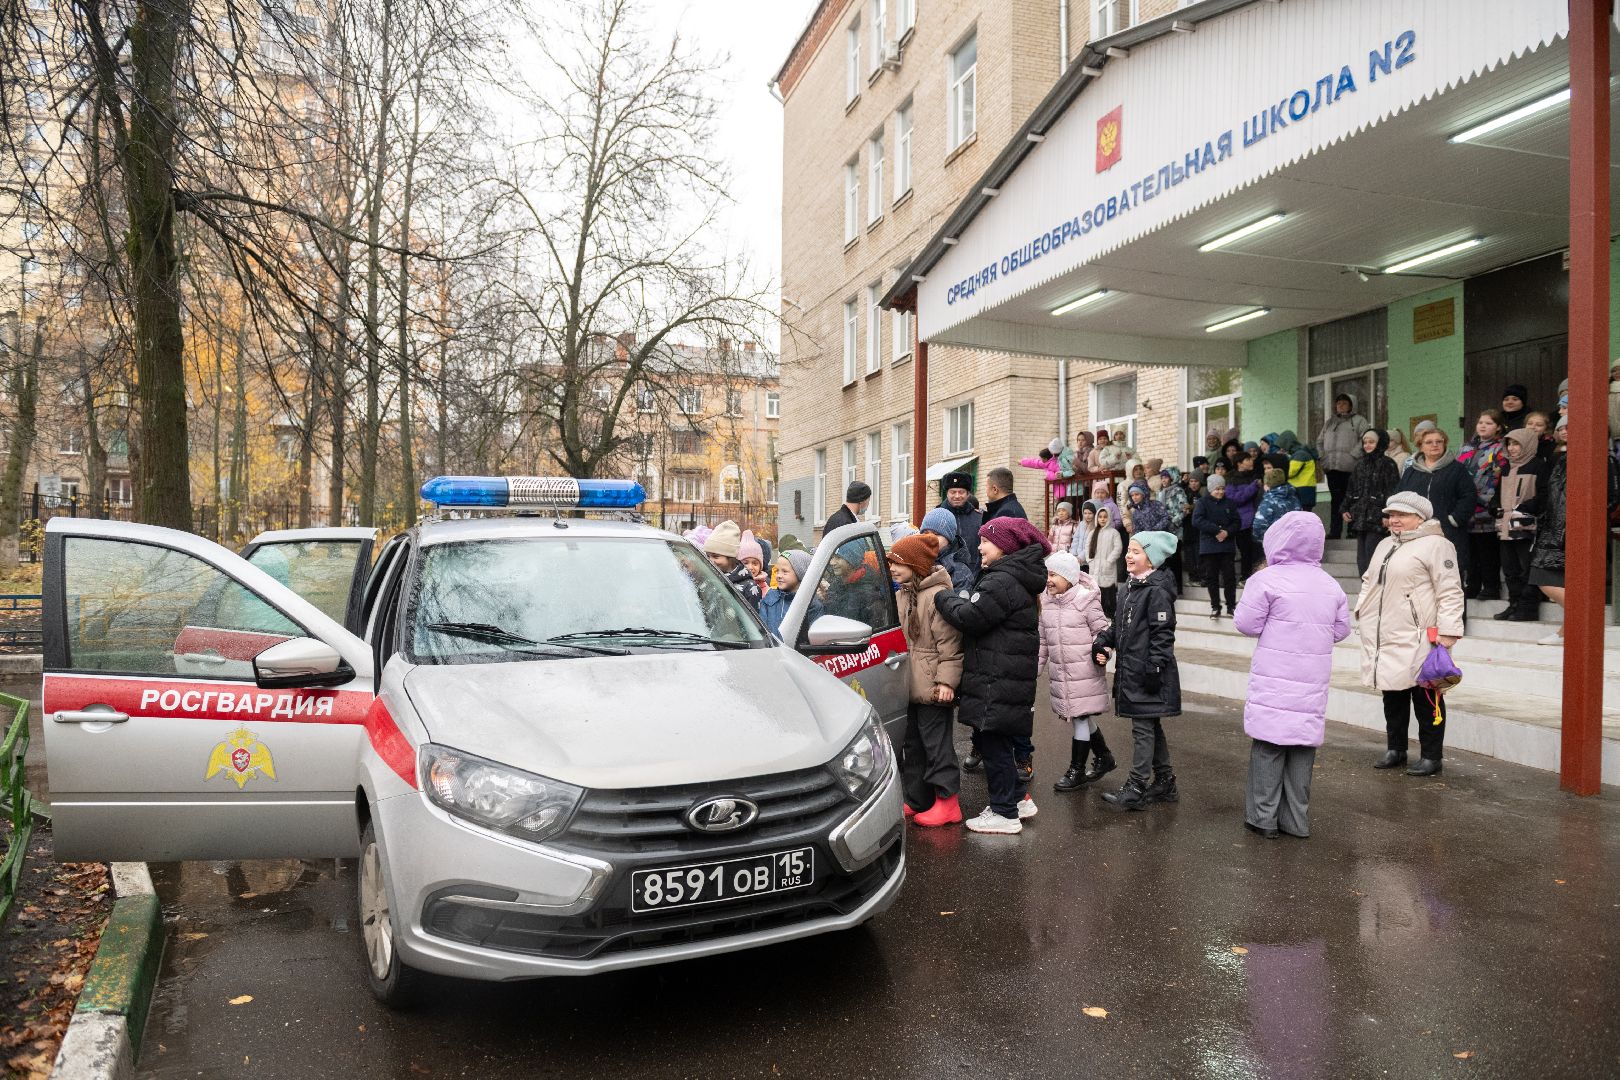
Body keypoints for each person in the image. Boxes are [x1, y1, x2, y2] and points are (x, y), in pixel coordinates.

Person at [1234, 511, 1351, 839]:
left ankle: (1263, 818)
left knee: (1269, 746)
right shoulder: (1330, 585)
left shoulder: (1266, 580)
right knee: (1301, 747)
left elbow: (1246, 623)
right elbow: (1341, 630)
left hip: (1274, 678)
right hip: (1312, 680)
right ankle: (1295, 821)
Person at [934, 517, 1049, 835]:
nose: (979, 546)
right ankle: (1015, 799)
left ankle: (1004, 813)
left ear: (1006, 546)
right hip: (1004, 674)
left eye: (986, 541)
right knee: (995, 739)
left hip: (997, 676)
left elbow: (971, 617)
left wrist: (945, 597)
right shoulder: (1012, 577)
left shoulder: (1002, 581)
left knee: (993, 740)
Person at [1355, 492, 1464, 777]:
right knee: (1392, 695)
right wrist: (1361, 612)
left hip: (1421, 635)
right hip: (1387, 633)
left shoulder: (1437, 545)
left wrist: (1449, 630)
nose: (1394, 520)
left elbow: (1450, 589)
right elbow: (1369, 580)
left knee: (1426, 695)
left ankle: (1431, 755)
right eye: (1391, 515)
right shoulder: (1384, 544)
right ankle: (1396, 748)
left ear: (1420, 517)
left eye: (1401, 515)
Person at [1095, 530, 1182, 811]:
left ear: (1152, 558)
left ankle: (1136, 785)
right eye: (1129, 551)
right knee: (1150, 724)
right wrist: (1104, 639)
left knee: (1143, 727)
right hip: (1133, 669)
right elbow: (1119, 624)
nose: (1129, 556)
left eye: (1136, 552)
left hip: (1148, 672)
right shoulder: (1130, 587)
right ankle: (1165, 781)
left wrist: (1155, 666)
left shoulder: (1156, 591)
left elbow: (1163, 633)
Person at [888, 534, 965, 827]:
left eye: (898, 563)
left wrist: (946, 683)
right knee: (913, 744)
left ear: (916, 565)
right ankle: (917, 798)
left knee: (937, 745)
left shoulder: (937, 597)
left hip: (933, 687)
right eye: (892, 562)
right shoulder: (903, 593)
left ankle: (948, 802)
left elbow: (950, 645)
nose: (892, 568)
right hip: (909, 685)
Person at [1040, 550, 1116, 792]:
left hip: (1085, 671)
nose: (1048, 580)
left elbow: (1102, 632)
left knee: (1080, 717)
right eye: (1047, 574)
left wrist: (1102, 650)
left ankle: (1077, 770)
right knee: (1081, 715)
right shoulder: (1045, 602)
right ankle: (1104, 757)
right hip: (1062, 673)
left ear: (1069, 578)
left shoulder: (1086, 599)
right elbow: (1042, 641)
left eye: (1054, 575)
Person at [1396, 427, 1476, 587]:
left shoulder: (1457, 469)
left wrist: (1453, 520)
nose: (1435, 445)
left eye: (1439, 441)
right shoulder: (1411, 472)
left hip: (1448, 534)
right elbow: (1400, 499)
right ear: (1420, 446)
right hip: (1416, 535)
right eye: (1429, 442)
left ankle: (1456, 614)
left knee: (1451, 581)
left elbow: (1469, 496)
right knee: (1420, 581)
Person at [1491, 428, 1551, 622]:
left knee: (1527, 567)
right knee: (1509, 568)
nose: (1512, 448)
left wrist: (1527, 507)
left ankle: (1528, 606)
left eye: (1516, 444)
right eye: (1509, 444)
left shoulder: (1538, 466)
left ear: (1527, 444)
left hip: (1527, 526)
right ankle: (1514, 603)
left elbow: (1544, 495)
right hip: (1506, 526)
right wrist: (1494, 507)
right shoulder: (1507, 467)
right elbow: (1498, 493)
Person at [1458, 410, 1508, 600]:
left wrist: (1485, 499)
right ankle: (1472, 585)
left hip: (1485, 507)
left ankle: (1491, 587)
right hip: (1466, 508)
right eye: (1481, 422)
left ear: (1498, 427)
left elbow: (1498, 477)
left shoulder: (1500, 448)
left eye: (1488, 423)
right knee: (1470, 551)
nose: (1483, 426)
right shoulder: (1466, 448)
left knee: (1487, 551)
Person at [1343, 429, 1402, 576]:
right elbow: (1352, 488)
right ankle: (1366, 590)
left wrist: (1389, 514)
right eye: (1365, 442)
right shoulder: (1360, 465)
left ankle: (1376, 591)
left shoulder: (1388, 464)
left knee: (1374, 557)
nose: (1367, 445)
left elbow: (1393, 492)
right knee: (1361, 560)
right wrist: (1345, 507)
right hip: (1361, 518)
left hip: (1378, 520)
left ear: (1380, 443)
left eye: (1372, 442)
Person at [1319, 394, 1371, 540]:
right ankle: (1335, 531)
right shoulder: (1329, 423)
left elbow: (1366, 439)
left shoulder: (1359, 421)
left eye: (1344, 403)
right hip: (1332, 468)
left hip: (1351, 468)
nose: (1340, 406)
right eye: (1338, 403)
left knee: (1352, 499)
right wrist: (1323, 458)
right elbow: (1319, 442)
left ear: (1351, 405)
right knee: (1336, 500)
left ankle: (1352, 530)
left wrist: (1354, 455)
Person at [1193, 473, 1241, 619]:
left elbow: (1237, 522)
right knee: (1212, 577)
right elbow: (1197, 520)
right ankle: (1215, 606)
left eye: (1222, 488)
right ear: (1210, 489)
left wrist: (1227, 532)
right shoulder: (1202, 503)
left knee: (1229, 577)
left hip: (1226, 546)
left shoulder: (1230, 503)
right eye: (1217, 489)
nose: (1220, 492)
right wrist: (1216, 531)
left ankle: (1231, 606)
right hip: (1209, 547)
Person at [824, 539, 888, 629]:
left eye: (838, 558)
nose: (832, 562)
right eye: (832, 557)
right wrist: (825, 598)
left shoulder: (869, 592)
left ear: (852, 559)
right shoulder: (838, 583)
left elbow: (848, 624)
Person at [703, 520, 762, 610]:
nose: (710, 560)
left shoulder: (750, 588)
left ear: (731, 557)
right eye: (708, 556)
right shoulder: (708, 579)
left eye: (716, 556)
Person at [759, 550, 818, 640]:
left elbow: (814, 639)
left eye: (784, 571)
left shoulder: (811, 605)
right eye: (777, 571)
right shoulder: (770, 598)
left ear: (801, 573)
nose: (778, 575)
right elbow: (761, 629)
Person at [939, 472, 984, 579]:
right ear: (947, 493)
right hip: (944, 578)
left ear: (968, 494)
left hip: (975, 577)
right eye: (953, 492)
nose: (957, 496)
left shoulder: (980, 518)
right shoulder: (936, 516)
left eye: (961, 492)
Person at [1226, 460, 1263, 580]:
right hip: (1243, 522)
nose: (1251, 461)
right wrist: (1253, 486)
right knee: (1245, 551)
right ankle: (1245, 576)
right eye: (1247, 459)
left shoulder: (1256, 476)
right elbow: (1237, 499)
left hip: (1257, 520)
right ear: (1239, 463)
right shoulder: (1232, 479)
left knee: (1256, 551)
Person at [920, 505, 972, 590]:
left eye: (936, 534)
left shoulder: (961, 573)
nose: (929, 538)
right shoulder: (915, 562)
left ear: (949, 538)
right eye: (925, 533)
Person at [1251, 467, 1301, 550]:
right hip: (1295, 542)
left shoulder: (1268, 502)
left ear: (1267, 485)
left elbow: (1258, 525)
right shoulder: (1293, 497)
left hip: (1276, 545)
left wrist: (1263, 540)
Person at [1088, 505, 1124, 614]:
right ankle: (1099, 612)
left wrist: (1109, 561)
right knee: (1097, 592)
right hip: (1095, 568)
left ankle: (1111, 613)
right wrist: (1090, 561)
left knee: (1110, 591)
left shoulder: (1114, 533)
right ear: (1097, 518)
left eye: (1105, 517)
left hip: (1108, 567)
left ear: (1109, 518)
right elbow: (1087, 548)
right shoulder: (1092, 533)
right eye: (1100, 517)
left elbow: (1118, 548)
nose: (1102, 519)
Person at [1181, 471, 1206, 586]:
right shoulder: (1185, 493)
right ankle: (1192, 576)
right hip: (1187, 528)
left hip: (1199, 530)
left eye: (1196, 481)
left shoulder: (1203, 494)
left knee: (1198, 553)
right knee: (1189, 554)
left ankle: (1201, 577)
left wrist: (1192, 507)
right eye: (1191, 481)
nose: (1193, 484)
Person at [739, 531, 768, 597]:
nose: (750, 567)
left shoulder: (765, 587)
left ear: (760, 566)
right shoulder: (733, 583)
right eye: (745, 563)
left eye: (755, 563)